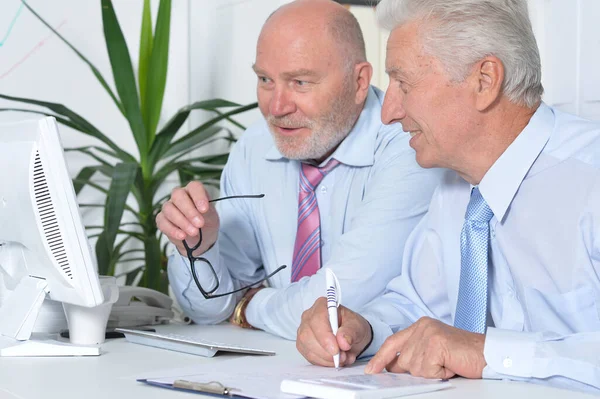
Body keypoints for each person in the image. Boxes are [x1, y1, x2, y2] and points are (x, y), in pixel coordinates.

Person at [296, 0, 600, 393]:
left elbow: (470, 347)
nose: (388, 112)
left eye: (403, 84)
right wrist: (362, 329)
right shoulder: (454, 186)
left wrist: (486, 352)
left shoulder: (591, 181)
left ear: (485, 80)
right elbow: (419, 306)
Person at [155, 0, 443, 340]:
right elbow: (209, 308)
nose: (276, 107)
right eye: (265, 79)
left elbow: (335, 303)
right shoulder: (255, 146)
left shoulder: (410, 146)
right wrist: (199, 248)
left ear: (359, 81)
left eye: (300, 83)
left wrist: (248, 306)